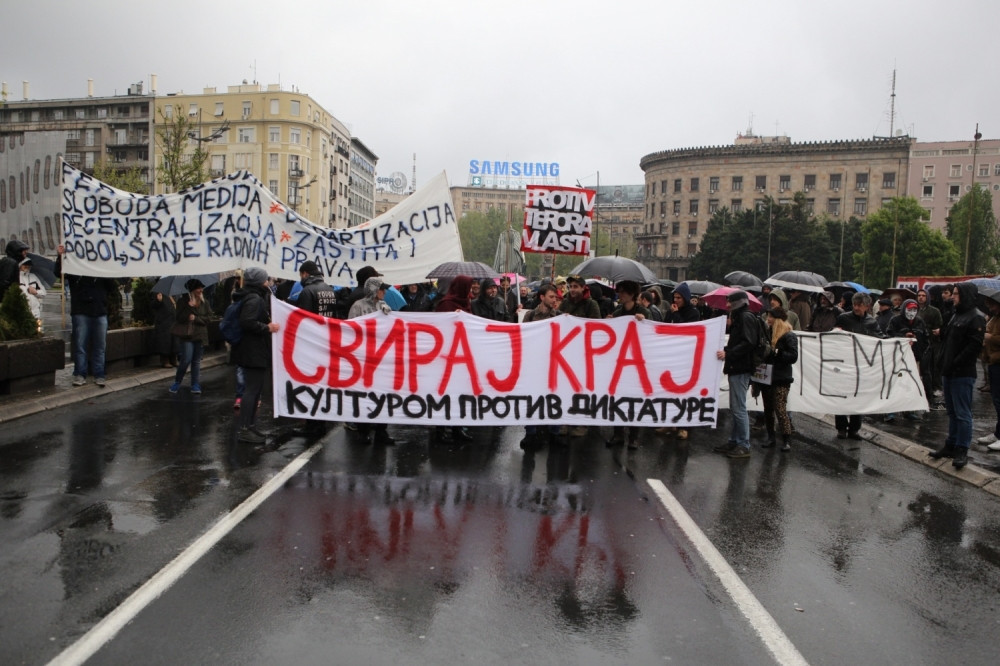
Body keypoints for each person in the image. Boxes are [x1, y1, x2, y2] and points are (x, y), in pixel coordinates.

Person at [930, 282, 985, 469]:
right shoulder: (955, 314)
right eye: (952, 293)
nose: (952, 297)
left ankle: (962, 449)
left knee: (962, 414)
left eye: (956, 294)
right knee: (952, 411)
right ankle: (951, 445)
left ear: (966, 295)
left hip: (962, 373)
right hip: (948, 372)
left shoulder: (976, 317)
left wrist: (954, 363)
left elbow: (973, 347)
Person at [232, 267, 281, 444]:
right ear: (260, 281)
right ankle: (245, 428)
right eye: (265, 279)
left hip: (253, 349)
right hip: (253, 351)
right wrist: (267, 327)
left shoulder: (251, 296)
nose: (268, 282)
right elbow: (247, 322)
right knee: (251, 390)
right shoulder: (253, 298)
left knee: (255, 390)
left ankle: (251, 426)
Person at [714, 289, 759, 459]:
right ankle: (734, 441)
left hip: (741, 367)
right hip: (738, 366)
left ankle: (743, 444)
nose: (727, 305)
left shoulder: (745, 317)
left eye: (730, 301)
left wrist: (729, 354)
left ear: (738, 302)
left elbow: (748, 342)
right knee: (736, 407)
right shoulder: (741, 317)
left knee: (739, 407)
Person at [833, 292, 883, 439]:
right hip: (844, 363)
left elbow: (881, 339)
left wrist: (900, 341)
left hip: (861, 366)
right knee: (842, 396)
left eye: (859, 305)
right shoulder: (843, 318)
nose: (856, 307)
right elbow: (832, 337)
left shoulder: (872, 322)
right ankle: (841, 428)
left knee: (857, 397)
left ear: (867, 306)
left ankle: (854, 429)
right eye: (854, 304)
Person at [607, 281, 650, 450]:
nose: (620, 295)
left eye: (623, 292)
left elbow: (653, 331)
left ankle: (633, 437)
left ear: (632, 294)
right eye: (619, 292)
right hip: (620, 363)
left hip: (636, 363)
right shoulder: (618, 313)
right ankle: (618, 434)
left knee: (634, 400)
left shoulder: (644, 312)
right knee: (618, 400)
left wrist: (644, 321)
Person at [64, 269, 119, 388]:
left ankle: (99, 374)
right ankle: (80, 374)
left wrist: (107, 272)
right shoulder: (76, 271)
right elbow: (61, 271)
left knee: (100, 346)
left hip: (99, 311)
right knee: (80, 346)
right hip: (81, 311)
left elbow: (112, 288)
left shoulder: (102, 272)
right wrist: (60, 257)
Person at [757, 306, 798, 451]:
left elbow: (793, 356)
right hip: (767, 376)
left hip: (781, 377)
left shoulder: (789, 336)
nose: (768, 320)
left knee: (780, 408)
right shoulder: (767, 333)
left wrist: (778, 353)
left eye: (770, 317)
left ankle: (786, 439)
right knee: (768, 409)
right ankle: (771, 437)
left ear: (778, 320)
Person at [884, 299, 929, 422]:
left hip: (914, 359)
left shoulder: (920, 322)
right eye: (909, 309)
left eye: (915, 310)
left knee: (911, 385)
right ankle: (890, 411)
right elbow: (888, 336)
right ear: (904, 309)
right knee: (894, 383)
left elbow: (926, 339)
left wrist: (920, 351)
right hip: (897, 358)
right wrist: (903, 337)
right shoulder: (895, 321)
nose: (912, 312)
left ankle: (909, 410)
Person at [170, 279, 213, 394]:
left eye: (201, 288)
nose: (201, 290)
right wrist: (189, 307)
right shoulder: (182, 301)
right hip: (187, 335)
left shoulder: (205, 302)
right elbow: (179, 318)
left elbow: (209, 318)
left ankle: (195, 384)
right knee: (186, 359)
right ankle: (177, 382)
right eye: (198, 288)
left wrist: (196, 319)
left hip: (201, 335)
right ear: (192, 290)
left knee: (196, 361)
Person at [976, 291, 1000, 452]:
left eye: (991, 304)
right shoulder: (994, 317)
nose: (989, 307)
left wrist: (989, 337)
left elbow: (995, 338)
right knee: (996, 400)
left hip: (999, 362)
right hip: (992, 361)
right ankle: (998, 433)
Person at [151, 290, 178, 368]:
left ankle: (174, 359)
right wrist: (158, 301)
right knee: (165, 342)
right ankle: (165, 360)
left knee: (174, 341)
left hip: (173, 321)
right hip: (163, 322)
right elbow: (153, 305)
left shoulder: (172, 293)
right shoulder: (157, 292)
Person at [17, 257, 46, 324]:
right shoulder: (16, 277)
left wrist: (36, 292)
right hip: (22, 313)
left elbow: (44, 293)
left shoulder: (33, 276)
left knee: (37, 332)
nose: (27, 266)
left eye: (29, 265)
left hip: (35, 313)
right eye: (25, 264)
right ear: (20, 265)